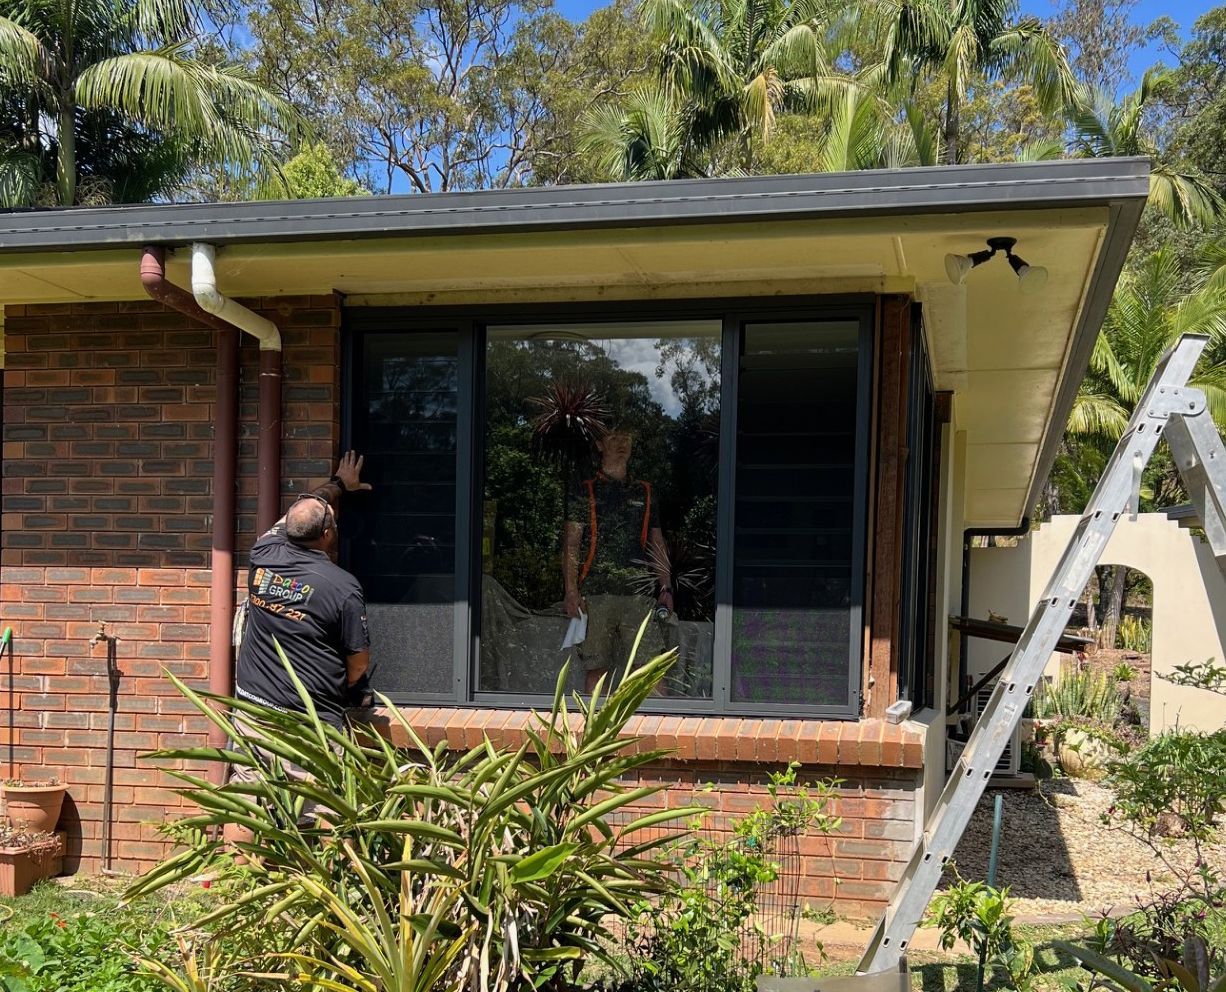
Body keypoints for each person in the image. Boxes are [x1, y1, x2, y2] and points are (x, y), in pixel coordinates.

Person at [228, 451, 372, 835]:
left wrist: (338, 485)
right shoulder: (342, 587)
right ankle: (315, 888)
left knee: (245, 803)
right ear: (328, 535)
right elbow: (357, 663)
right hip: (307, 721)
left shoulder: (263, 552)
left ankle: (237, 882)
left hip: (253, 709)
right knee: (320, 812)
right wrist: (353, 690)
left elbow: (300, 509)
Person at [562, 427, 673, 692]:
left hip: (639, 595)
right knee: (597, 670)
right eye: (614, 438)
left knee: (650, 669)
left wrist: (666, 587)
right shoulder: (586, 491)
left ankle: (656, 730)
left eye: (626, 437)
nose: (622, 443)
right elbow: (571, 543)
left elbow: (657, 543)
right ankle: (595, 730)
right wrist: (571, 591)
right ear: (600, 445)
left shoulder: (644, 492)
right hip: (597, 594)